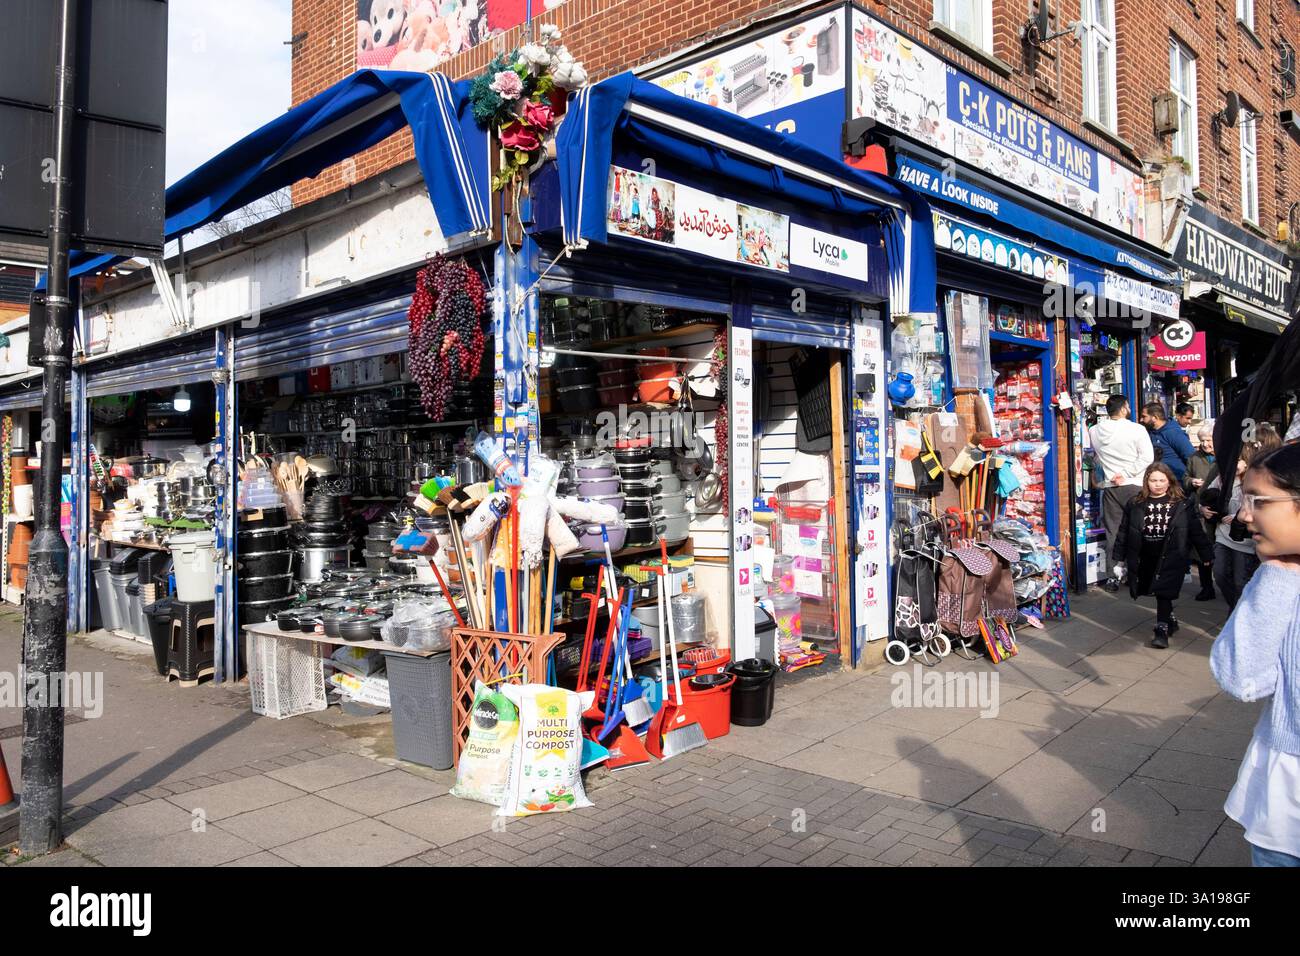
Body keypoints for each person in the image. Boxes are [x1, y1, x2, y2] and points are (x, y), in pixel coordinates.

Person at [1210, 442, 1300, 867]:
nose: (1246, 515)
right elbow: (1242, 678)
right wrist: (1279, 576)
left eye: (1259, 501)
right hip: (1284, 804)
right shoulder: (1280, 581)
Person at [1112, 462, 1214, 648]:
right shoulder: (1135, 503)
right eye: (1153, 480)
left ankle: (1161, 630)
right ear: (1146, 481)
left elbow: (1195, 531)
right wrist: (1119, 559)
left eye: (1162, 480)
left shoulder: (1181, 504)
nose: (1157, 484)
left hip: (1173, 554)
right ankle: (1170, 619)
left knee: (1163, 592)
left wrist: (1206, 555)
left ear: (1169, 481)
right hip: (1145, 554)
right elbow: (1124, 531)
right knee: (1149, 588)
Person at [1203, 423, 1282, 609]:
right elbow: (1209, 493)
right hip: (1225, 534)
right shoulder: (1229, 472)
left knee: (1242, 580)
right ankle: (1236, 607)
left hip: (1249, 541)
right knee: (1221, 574)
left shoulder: (1268, 474)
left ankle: (1239, 610)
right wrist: (1205, 508)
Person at [1090, 396, 1154, 592]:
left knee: (1113, 532)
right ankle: (1140, 575)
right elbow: (1147, 457)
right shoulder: (1137, 429)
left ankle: (1113, 576)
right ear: (1125, 408)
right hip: (1134, 484)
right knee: (1140, 530)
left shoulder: (1094, 430)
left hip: (1110, 488)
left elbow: (1098, 457)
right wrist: (1126, 473)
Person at [1186, 422, 1217, 600]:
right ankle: (1207, 587)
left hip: (1221, 510)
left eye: (1208, 440)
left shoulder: (1226, 456)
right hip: (1201, 510)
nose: (1205, 444)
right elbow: (1184, 478)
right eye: (1202, 440)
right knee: (1202, 551)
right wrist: (1191, 481)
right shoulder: (1194, 458)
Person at [1142, 402, 1196, 482]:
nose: (1141, 419)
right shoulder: (1148, 432)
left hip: (1176, 483)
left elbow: (1191, 457)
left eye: (1144, 416)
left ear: (1154, 418)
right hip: (1157, 482)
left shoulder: (1173, 433)